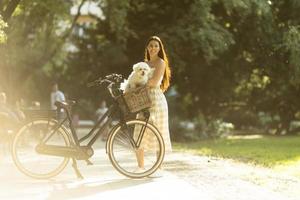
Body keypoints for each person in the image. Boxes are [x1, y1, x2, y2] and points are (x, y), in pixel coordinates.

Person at [135, 36, 172, 170]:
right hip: (143, 100)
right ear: (147, 47)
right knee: (139, 132)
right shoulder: (143, 64)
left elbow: (154, 82)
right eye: (151, 45)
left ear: (159, 48)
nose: (153, 48)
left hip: (156, 100)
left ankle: (158, 167)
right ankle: (140, 168)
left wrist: (137, 85)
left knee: (159, 133)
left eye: (156, 45)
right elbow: (134, 79)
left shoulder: (160, 62)